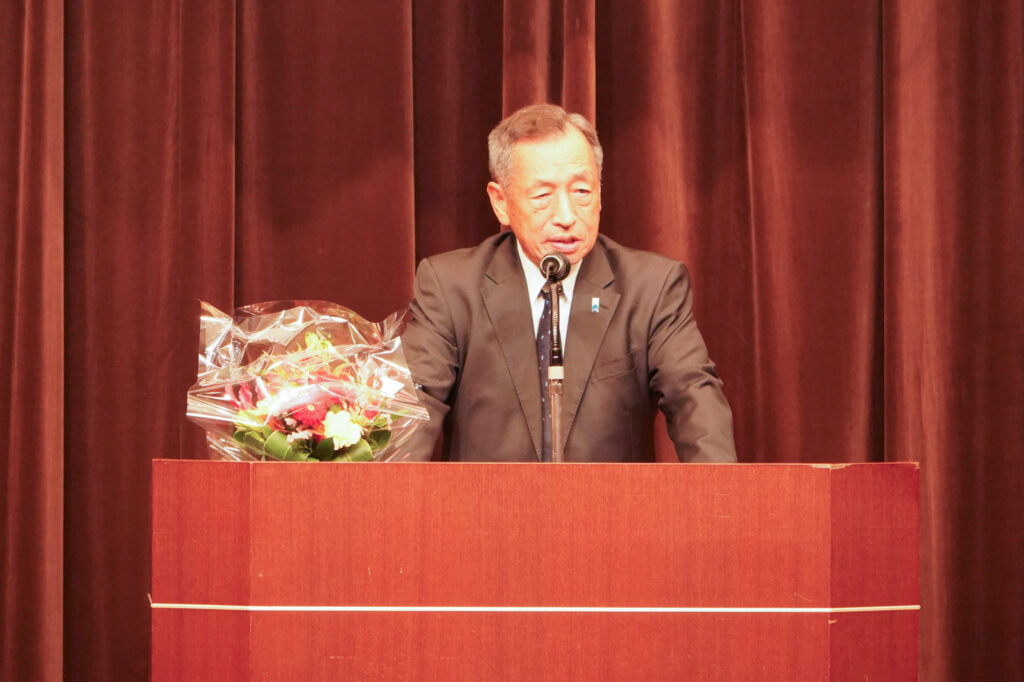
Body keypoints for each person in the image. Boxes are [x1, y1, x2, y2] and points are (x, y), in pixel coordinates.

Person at [401, 103, 736, 462]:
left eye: (581, 192)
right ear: (501, 202)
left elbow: (695, 401)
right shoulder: (452, 288)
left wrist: (721, 495)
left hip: (610, 500)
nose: (566, 216)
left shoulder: (651, 288)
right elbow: (410, 412)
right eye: (542, 196)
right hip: (487, 498)